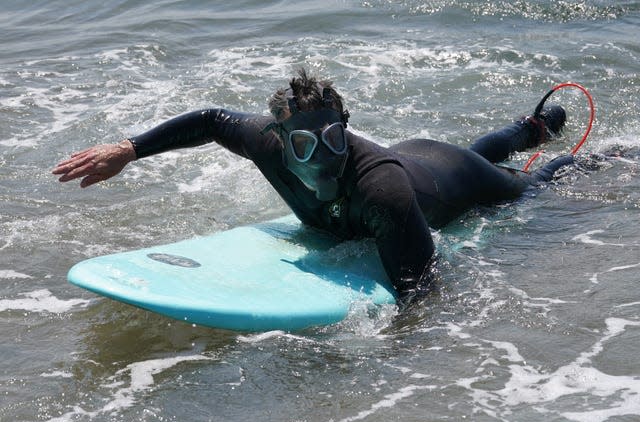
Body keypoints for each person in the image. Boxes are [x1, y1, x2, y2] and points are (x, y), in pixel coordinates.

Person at [53, 69, 573, 296]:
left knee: (530, 186)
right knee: (473, 153)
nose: (323, 157)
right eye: (304, 146)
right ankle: (530, 128)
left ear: (345, 130)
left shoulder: (381, 194)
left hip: (443, 182)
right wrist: (130, 149)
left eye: (333, 139)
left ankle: (596, 153)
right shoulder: (265, 142)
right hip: (422, 158)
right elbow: (211, 119)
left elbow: (423, 291)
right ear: (280, 140)